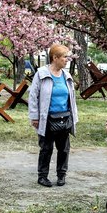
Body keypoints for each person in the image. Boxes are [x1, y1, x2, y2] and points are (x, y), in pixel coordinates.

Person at [28, 44, 78, 187]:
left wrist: (73, 116)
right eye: (64, 57)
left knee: (64, 149)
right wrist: (34, 116)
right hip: (47, 118)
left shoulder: (66, 75)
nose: (67, 60)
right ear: (55, 58)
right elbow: (33, 96)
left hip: (64, 117)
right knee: (46, 149)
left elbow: (71, 99)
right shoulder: (42, 74)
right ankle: (42, 176)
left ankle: (61, 175)